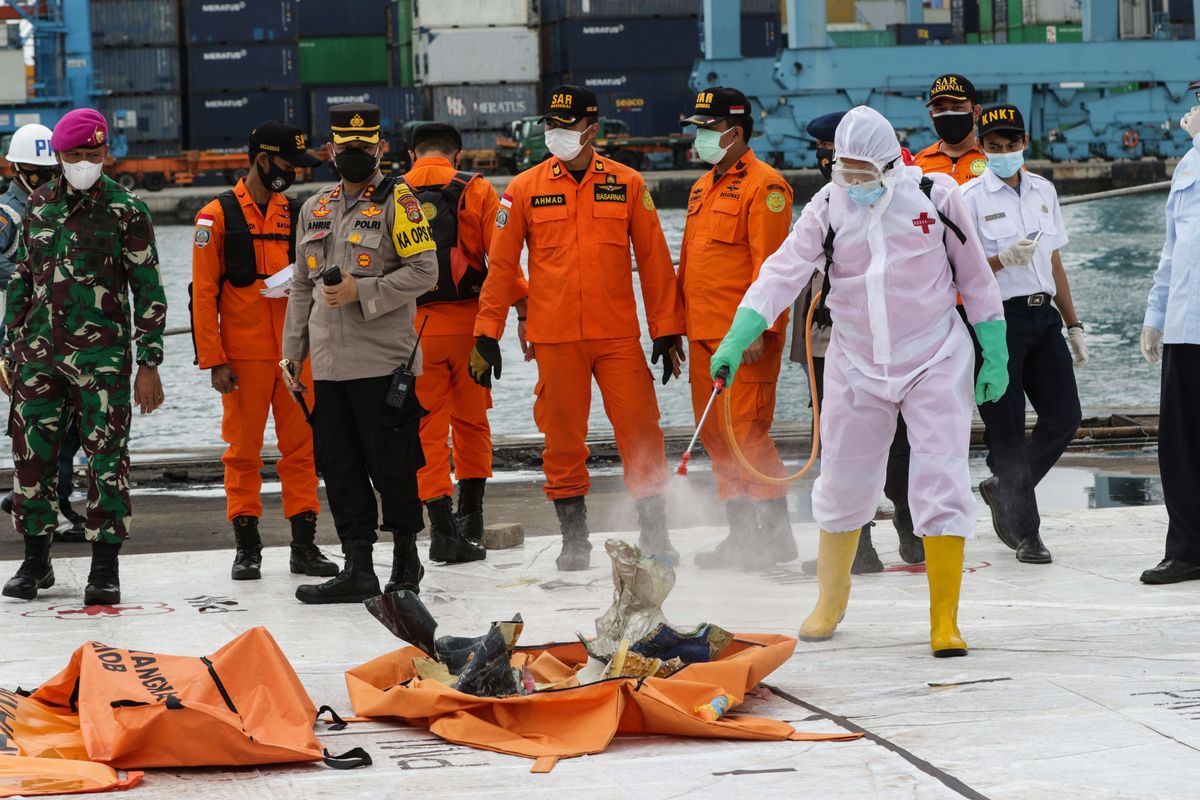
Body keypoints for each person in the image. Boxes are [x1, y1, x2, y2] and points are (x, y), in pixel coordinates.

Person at [711, 106, 1007, 657]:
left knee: (940, 481)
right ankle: (831, 598)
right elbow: (781, 272)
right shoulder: (827, 207)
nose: (851, 181)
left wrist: (995, 351)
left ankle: (945, 618)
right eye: (841, 169)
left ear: (890, 163)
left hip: (934, 356)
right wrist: (739, 332)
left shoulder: (937, 197)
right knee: (843, 481)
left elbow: (977, 279)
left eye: (861, 171)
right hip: (856, 362)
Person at [468, 85, 686, 571]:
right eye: (551, 125)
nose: (556, 134)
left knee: (642, 433)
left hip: (617, 338)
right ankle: (574, 538)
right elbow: (500, 267)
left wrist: (667, 329)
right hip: (555, 337)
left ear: (593, 129)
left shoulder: (628, 183)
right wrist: (487, 332)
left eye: (565, 126)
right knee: (562, 441)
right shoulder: (523, 188)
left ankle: (655, 535)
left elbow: (653, 261)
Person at [1, 108, 167, 604]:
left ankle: (104, 569)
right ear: (58, 156)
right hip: (36, 358)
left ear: (106, 154)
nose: (85, 163)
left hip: (103, 362)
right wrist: (9, 348)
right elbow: (23, 280)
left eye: (93, 155)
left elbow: (148, 289)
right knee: (31, 460)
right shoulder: (38, 205)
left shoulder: (126, 210)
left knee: (106, 461)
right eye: (76, 155)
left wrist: (150, 363)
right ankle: (35, 562)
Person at [281, 102, 439, 603]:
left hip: (383, 362)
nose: (353, 154)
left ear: (380, 148)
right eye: (344, 147)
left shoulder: (401, 201)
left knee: (392, 464)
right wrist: (291, 355)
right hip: (328, 367)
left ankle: (406, 563)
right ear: (330, 150)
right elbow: (301, 288)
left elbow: (425, 272)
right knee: (341, 467)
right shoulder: (314, 208)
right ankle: (357, 568)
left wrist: (362, 291)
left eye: (363, 147)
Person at [191, 121, 337, 582]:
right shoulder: (214, 217)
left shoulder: (299, 214)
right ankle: (247, 548)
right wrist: (214, 361)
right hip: (243, 359)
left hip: (297, 354)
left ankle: (304, 547)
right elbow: (203, 295)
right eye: (288, 164)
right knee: (242, 453)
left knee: (303, 451)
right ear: (262, 161)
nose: (294, 172)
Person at [793, 110, 924, 572]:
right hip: (834, 338)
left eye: (828, 155)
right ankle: (903, 536)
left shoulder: (875, 197)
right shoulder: (831, 201)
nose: (825, 165)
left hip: (847, 341)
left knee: (850, 445)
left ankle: (872, 545)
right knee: (888, 443)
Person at [676, 86, 795, 570]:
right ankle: (742, 536)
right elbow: (690, 263)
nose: (700, 138)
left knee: (748, 434)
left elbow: (773, 270)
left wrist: (754, 335)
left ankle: (778, 537)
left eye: (707, 129)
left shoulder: (765, 188)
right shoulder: (704, 186)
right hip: (703, 335)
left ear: (736, 131)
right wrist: (674, 331)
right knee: (718, 438)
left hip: (742, 339)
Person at [960, 104, 1085, 564]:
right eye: (994, 146)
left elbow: (1054, 261)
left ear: (1024, 143)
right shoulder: (969, 198)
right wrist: (1002, 260)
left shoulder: (1043, 191)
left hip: (1044, 318)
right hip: (997, 323)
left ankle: (1004, 488)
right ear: (982, 147)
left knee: (1065, 417)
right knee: (1007, 432)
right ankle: (1028, 534)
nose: (1004, 152)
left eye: (1011, 145)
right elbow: (960, 273)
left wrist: (1073, 324)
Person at [405, 122, 526, 563]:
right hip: (472, 330)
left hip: (414, 332)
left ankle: (440, 530)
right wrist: (523, 309)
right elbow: (504, 260)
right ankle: (470, 517)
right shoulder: (476, 190)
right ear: (457, 155)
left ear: (411, 154)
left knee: (426, 430)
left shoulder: (393, 192)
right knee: (472, 423)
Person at [0, 124, 87, 543]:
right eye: (34, 170)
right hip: (24, 339)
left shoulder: (59, 208)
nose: (42, 176)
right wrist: (32, 277)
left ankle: (42, 497)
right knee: (38, 430)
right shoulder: (10, 213)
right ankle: (52, 505)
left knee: (63, 428)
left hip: (62, 337)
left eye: (45, 168)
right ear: (16, 168)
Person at [1139, 85, 1200, 585]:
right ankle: (1186, 550)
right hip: (1185, 325)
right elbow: (1171, 249)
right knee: (1178, 446)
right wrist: (1154, 316)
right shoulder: (1187, 166)